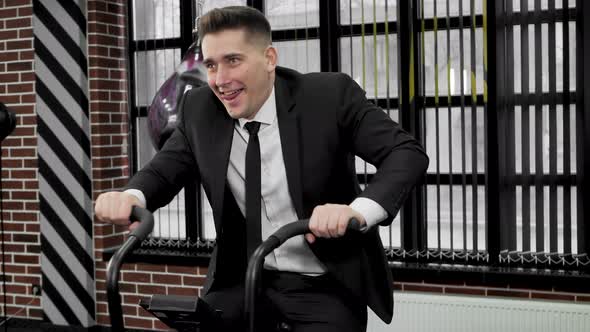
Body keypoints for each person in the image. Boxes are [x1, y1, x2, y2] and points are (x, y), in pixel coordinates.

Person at [95, 6, 428, 332]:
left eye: (233, 61)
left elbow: (405, 153)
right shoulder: (199, 109)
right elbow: (165, 170)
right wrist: (130, 195)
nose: (220, 80)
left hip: (324, 279)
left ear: (269, 59)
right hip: (244, 278)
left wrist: (356, 212)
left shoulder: (327, 97)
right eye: (211, 65)